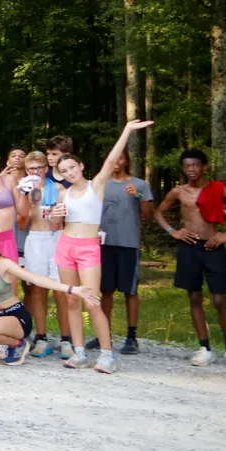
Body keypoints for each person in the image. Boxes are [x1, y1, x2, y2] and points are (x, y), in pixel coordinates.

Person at [47, 120, 152, 374]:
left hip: (88, 249)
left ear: (81, 166)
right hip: (66, 247)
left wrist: (126, 130)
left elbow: (112, 158)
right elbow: (55, 226)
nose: (70, 172)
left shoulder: (97, 186)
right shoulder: (63, 194)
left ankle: (107, 355)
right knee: (72, 301)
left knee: (92, 301)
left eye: (73, 167)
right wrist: (55, 215)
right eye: (65, 169)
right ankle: (79, 352)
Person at [154, 146, 226, 369]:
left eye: (195, 165)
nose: (191, 169)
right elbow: (158, 212)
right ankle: (204, 348)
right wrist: (174, 231)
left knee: (220, 299)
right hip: (188, 247)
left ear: (204, 167)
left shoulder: (218, 189)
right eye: (186, 166)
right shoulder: (178, 191)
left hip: (213, 247)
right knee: (195, 298)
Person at [0, 228, 100, 367]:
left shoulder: (3, 263)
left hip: (16, 318)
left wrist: (73, 289)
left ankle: (18, 345)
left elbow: (36, 279)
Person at [94, 150, 153, 355]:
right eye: (113, 157)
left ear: (126, 160)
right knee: (106, 290)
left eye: (121, 157)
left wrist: (137, 196)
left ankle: (131, 337)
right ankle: (104, 333)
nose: (117, 162)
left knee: (130, 291)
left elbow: (149, 215)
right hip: (103, 243)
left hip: (128, 243)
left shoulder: (140, 184)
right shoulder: (99, 183)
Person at [15, 151, 71, 358]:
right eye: (31, 169)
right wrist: (29, 201)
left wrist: (56, 213)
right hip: (35, 239)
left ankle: (66, 339)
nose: (35, 172)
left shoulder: (59, 188)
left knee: (60, 291)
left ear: (46, 169)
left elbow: (60, 222)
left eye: (39, 168)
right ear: (26, 170)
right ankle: (41, 337)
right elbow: (22, 223)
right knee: (37, 290)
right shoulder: (24, 190)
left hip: (56, 238)